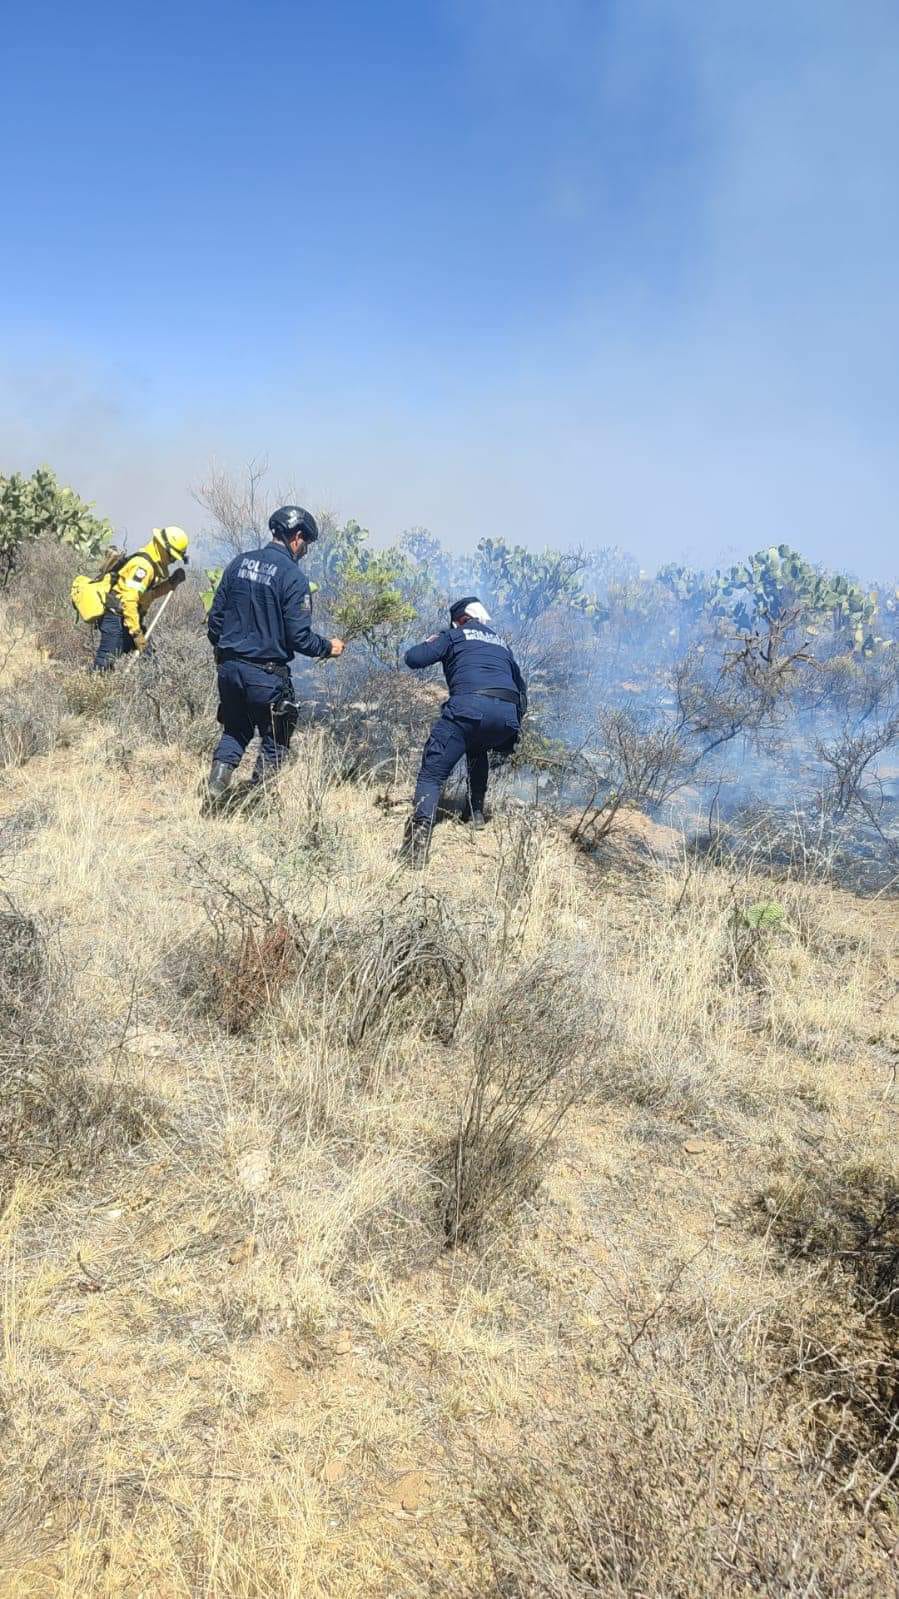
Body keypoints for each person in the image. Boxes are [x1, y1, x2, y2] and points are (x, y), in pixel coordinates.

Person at [205, 505, 345, 803]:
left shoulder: (239, 563)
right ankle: (257, 802)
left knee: (235, 730)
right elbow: (300, 638)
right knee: (276, 738)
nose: (305, 550)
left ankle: (216, 785)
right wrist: (328, 648)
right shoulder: (293, 577)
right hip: (265, 675)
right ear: (297, 537)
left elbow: (215, 620)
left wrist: (224, 652)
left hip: (228, 669)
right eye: (306, 543)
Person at [401, 596, 527, 865]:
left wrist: (433, 640)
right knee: (477, 746)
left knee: (432, 773)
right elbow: (522, 688)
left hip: (470, 708)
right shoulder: (501, 643)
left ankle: (417, 845)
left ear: (459, 620)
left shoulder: (453, 635)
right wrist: (514, 725)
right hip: (507, 719)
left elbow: (413, 658)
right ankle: (475, 813)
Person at [92, 526, 190, 669]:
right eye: (172, 557)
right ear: (163, 548)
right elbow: (129, 601)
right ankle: (92, 682)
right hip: (116, 618)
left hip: (128, 619)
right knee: (105, 663)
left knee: (149, 661)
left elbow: (150, 595)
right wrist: (137, 633)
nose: (173, 561)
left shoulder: (152, 566)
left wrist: (171, 583)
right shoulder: (143, 567)